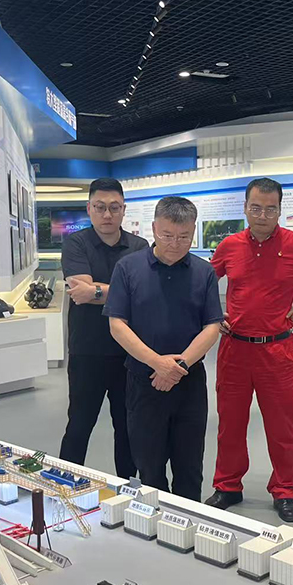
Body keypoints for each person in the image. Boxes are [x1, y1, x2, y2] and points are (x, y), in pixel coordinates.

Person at [204, 178, 293, 523]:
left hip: (276, 352)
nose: (262, 215)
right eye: (256, 208)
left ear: (279, 210)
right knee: (230, 424)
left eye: (270, 209)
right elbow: (203, 283)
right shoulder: (229, 246)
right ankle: (228, 485)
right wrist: (213, 315)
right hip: (234, 350)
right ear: (245, 208)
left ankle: (284, 490)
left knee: (283, 426)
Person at [105, 196, 223, 500]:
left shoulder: (204, 272)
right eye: (167, 235)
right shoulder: (128, 268)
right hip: (144, 381)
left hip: (189, 382)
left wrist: (178, 367)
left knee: (190, 466)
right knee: (149, 466)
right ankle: (154, 522)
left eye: (184, 237)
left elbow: (212, 326)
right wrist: (158, 363)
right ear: (154, 228)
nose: (175, 244)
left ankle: (189, 521)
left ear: (193, 231)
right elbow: (117, 325)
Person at [58, 177, 148, 478]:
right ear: (89, 209)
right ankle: (65, 485)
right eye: (100, 207)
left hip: (130, 353)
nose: (107, 214)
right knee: (79, 425)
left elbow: (141, 293)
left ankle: (129, 488)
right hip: (87, 352)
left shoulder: (139, 247)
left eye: (114, 207)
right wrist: (124, 291)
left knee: (128, 428)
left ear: (124, 209)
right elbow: (80, 293)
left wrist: (96, 291)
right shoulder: (76, 243)